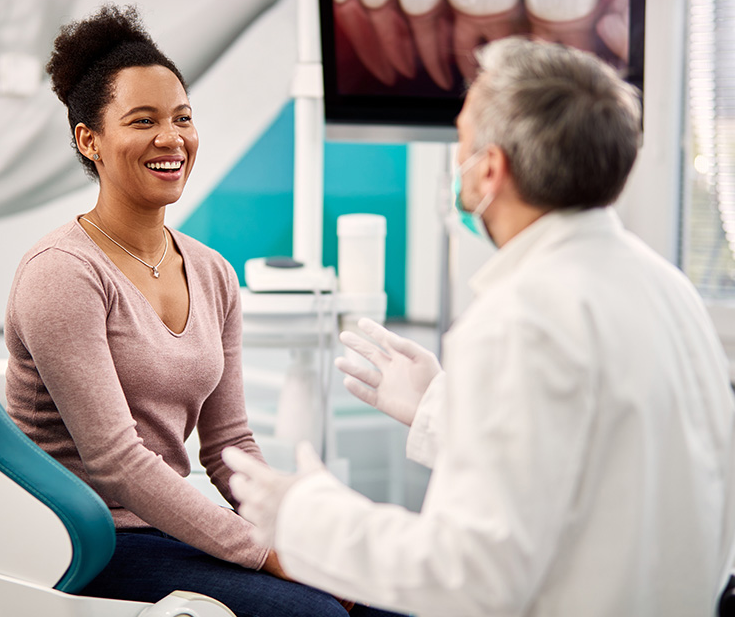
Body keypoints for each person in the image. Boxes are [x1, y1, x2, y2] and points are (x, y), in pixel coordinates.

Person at [223, 36, 735, 616]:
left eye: (462, 141)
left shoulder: (519, 317)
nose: (456, 163)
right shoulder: (668, 289)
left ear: (490, 169)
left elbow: (467, 575)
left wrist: (305, 517)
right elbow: (601, 465)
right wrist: (440, 409)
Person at [4, 3, 403, 617]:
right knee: (315, 614)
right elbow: (116, 463)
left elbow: (229, 444)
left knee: (388, 598)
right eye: (143, 120)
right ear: (89, 140)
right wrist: (265, 553)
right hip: (81, 542)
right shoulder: (62, 273)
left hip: (168, 528)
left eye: (182, 118)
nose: (171, 138)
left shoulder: (212, 271)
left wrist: (293, 530)